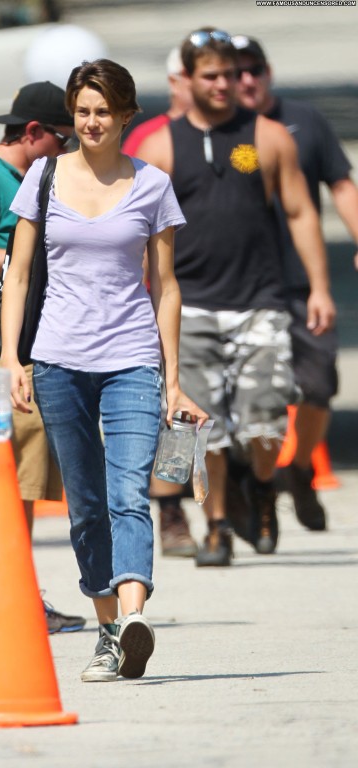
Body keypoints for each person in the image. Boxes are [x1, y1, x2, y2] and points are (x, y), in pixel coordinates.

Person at [0, 59, 208, 682]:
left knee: (128, 495)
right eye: (83, 111)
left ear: (125, 116)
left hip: (132, 360)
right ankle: (107, 630)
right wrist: (12, 358)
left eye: (104, 112)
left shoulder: (152, 184)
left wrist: (173, 377)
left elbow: (165, 286)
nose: (92, 122)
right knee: (87, 505)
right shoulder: (42, 176)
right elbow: (19, 275)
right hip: (58, 360)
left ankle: (133, 616)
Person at [135, 29, 335, 566]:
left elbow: (300, 212)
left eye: (228, 74)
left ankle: (263, 487)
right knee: (205, 430)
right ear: (187, 79)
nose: (223, 84)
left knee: (265, 422)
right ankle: (217, 524)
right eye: (211, 76)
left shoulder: (268, 136)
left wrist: (319, 287)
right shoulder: (160, 146)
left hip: (260, 302)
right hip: (192, 305)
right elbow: (140, 233)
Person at [0, 81, 86, 635]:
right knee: (13, 480)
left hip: (34, 350)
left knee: (26, 480)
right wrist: (25, 255)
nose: (68, 148)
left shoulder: (35, 177)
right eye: (62, 138)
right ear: (32, 132)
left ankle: (19, 593)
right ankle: (11, 597)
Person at [233, 34, 358, 532]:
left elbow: (341, 184)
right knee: (250, 396)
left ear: (268, 72)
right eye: (235, 71)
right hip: (241, 284)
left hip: (303, 281)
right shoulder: (223, 133)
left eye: (253, 69)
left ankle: (301, 467)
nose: (246, 79)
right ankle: (252, 483)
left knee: (318, 383)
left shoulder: (305, 120)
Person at [123, 48, 197, 560]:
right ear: (175, 81)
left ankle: (237, 489)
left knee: (207, 412)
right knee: (169, 410)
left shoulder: (249, 135)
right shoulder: (153, 141)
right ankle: (171, 508)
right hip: (160, 293)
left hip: (227, 286)